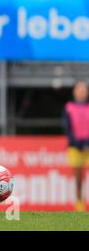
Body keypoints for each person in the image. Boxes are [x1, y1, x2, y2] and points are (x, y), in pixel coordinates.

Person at [63, 80, 89, 212]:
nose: (82, 92)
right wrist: (79, 144)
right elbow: (68, 129)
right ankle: (80, 207)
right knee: (79, 179)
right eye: (79, 89)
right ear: (74, 91)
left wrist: (87, 143)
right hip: (75, 147)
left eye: (84, 89)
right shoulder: (69, 107)